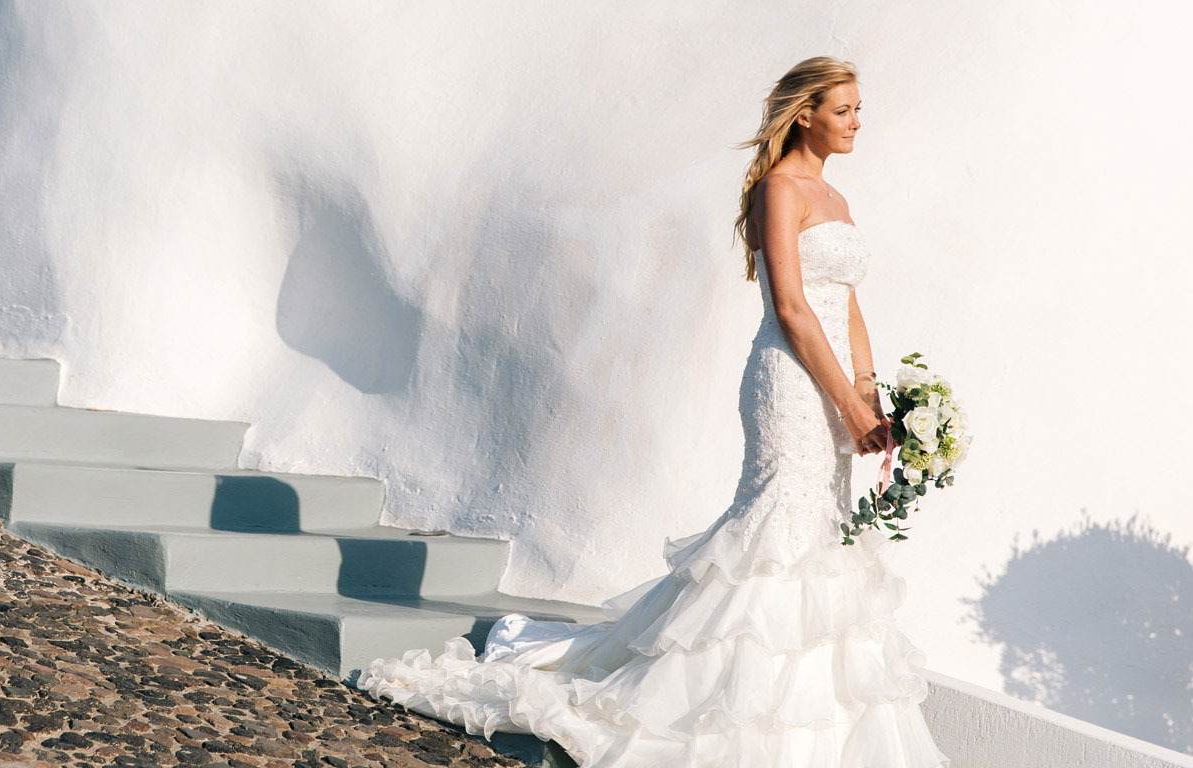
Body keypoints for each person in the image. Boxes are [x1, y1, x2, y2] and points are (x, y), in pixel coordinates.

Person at [354, 56, 952, 767]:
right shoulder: (779, 190)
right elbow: (792, 308)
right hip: (790, 386)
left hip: (834, 388)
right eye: (843, 110)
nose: (856, 123)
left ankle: (811, 719)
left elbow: (846, 304)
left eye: (857, 110)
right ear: (804, 116)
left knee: (824, 531)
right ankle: (717, 701)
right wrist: (843, 402)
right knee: (776, 529)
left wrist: (868, 391)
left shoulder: (837, 199)